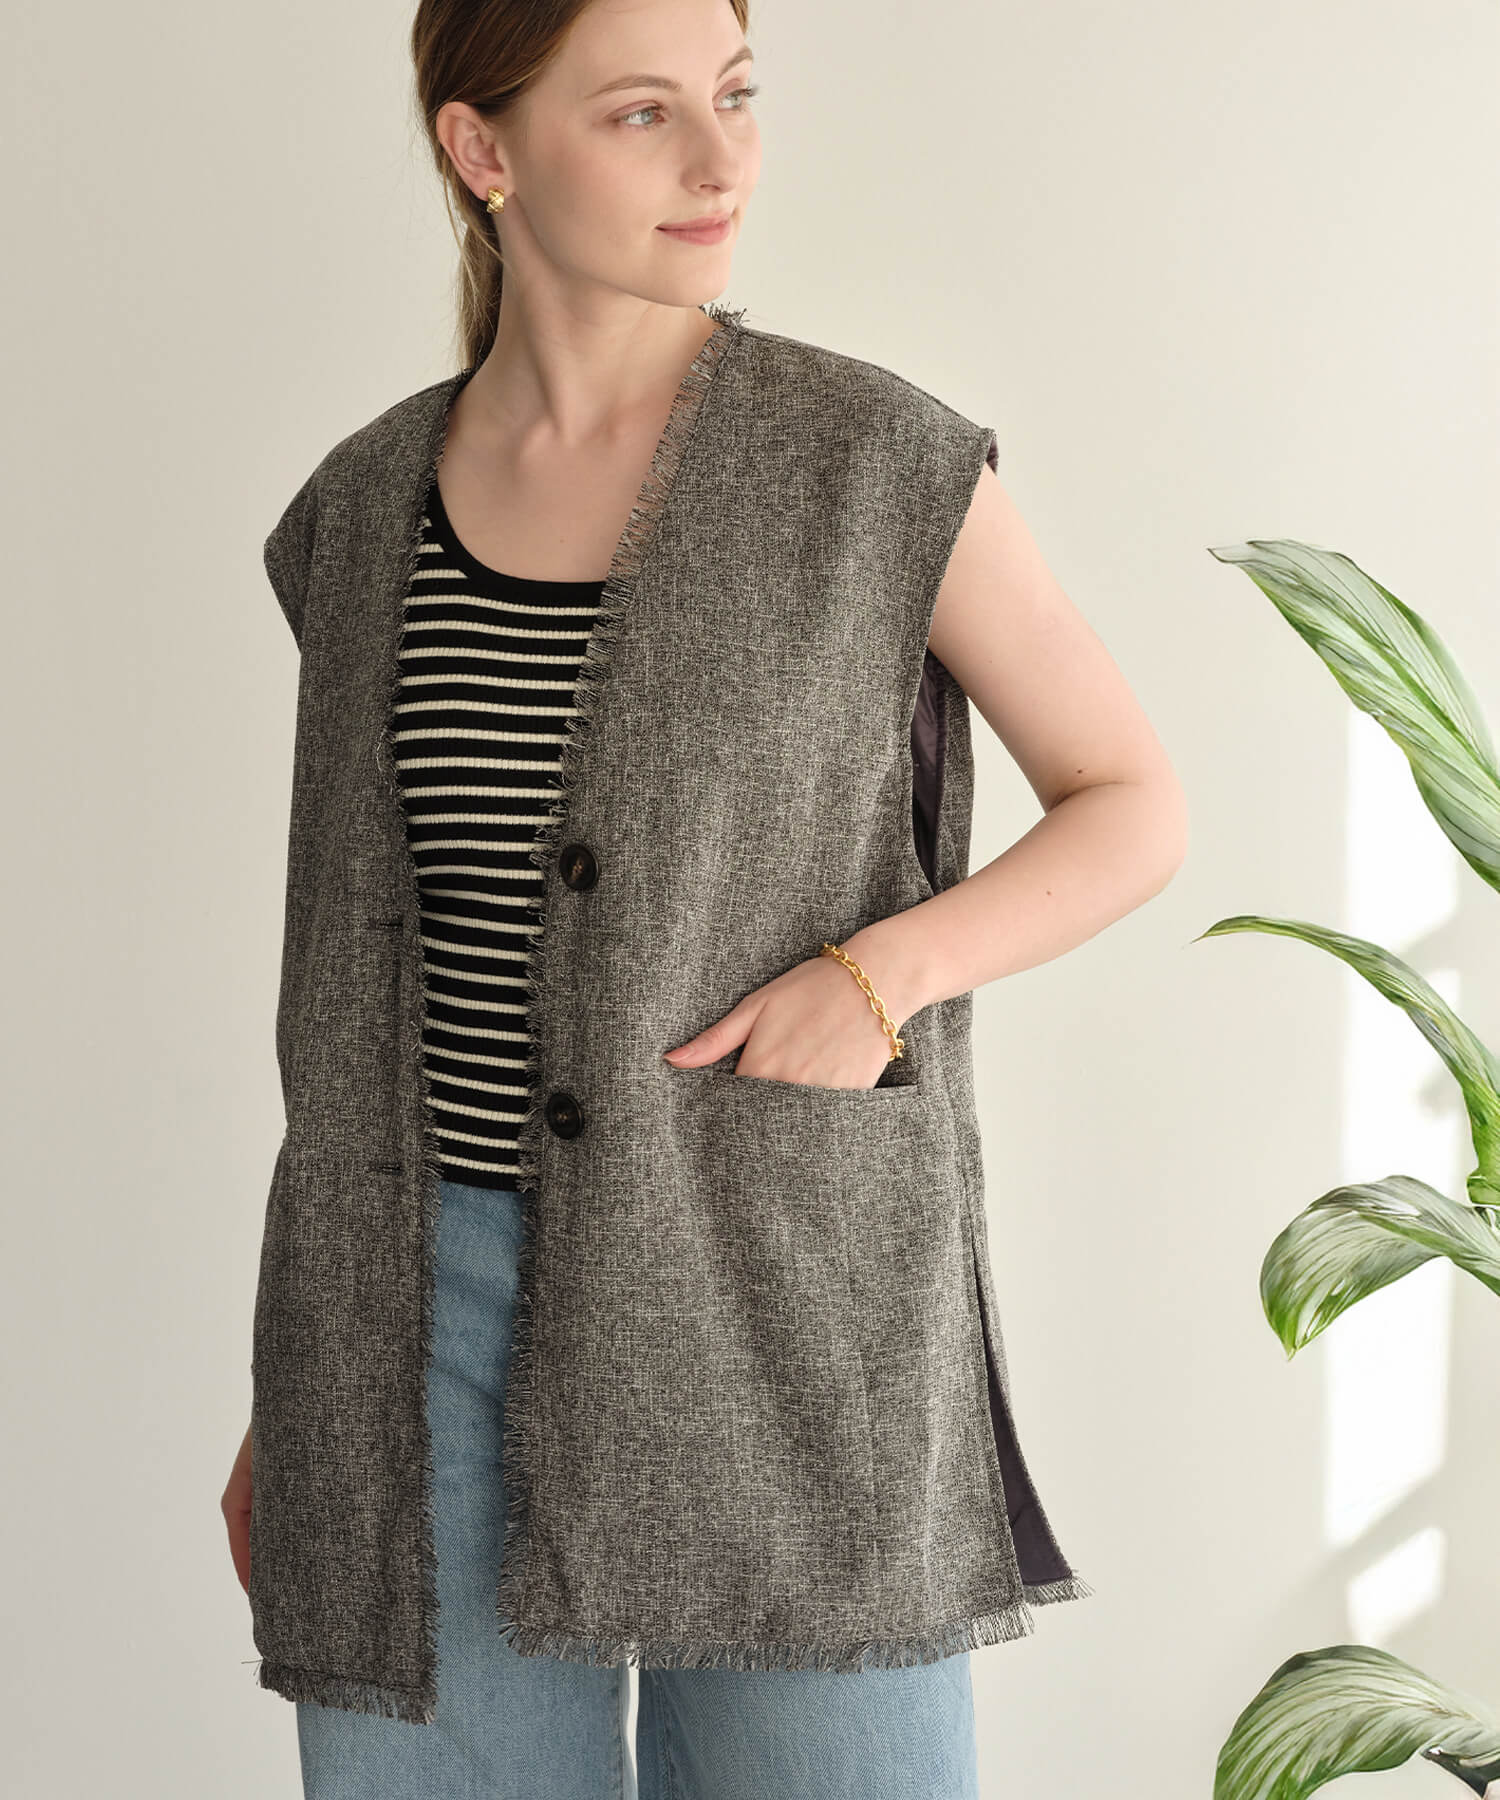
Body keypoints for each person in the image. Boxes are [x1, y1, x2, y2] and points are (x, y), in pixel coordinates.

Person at [223, 0, 1187, 1792]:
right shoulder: (356, 515)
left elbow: (1131, 803)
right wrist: (299, 1392)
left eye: (737, 97)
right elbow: (361, 998)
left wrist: (882, 974)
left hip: (767, 1288)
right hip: (410, 1325)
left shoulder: (877, 464)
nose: (721, 157)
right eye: (642, 113)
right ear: (483, 150)